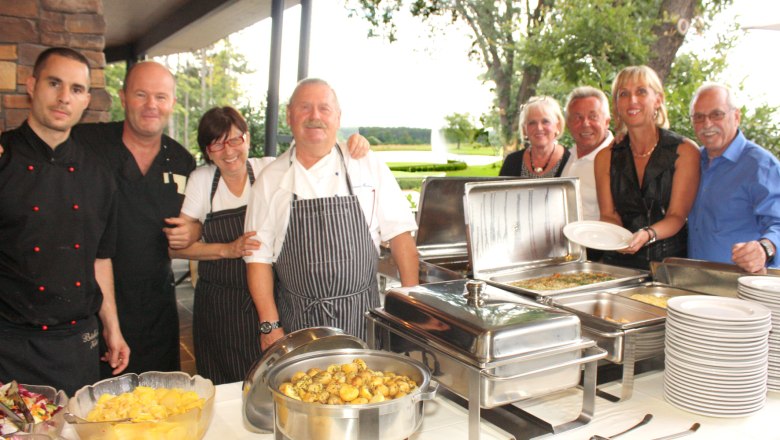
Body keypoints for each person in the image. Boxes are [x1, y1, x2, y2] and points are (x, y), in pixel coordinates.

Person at [170, 107, 370, 384]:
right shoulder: (202, 181)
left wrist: (350, 143)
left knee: (269, 381)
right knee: (223, 382)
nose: (228, 151)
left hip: (266, 301)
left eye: (235, 140)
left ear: (247, 139)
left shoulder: (267, 168)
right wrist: (227, 249)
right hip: (219, 305)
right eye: (216, 143)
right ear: (207, 150)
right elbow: (177, 247)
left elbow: (313, 148)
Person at [245, 78, 419, 350]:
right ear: (290, 116)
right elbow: (257, 259)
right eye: (305, 108)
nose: (315, 116)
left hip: (362, 321)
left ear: (338, 118)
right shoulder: (269, 180)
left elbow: (401, 237)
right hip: (298, 326)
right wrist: (269, 325)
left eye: (324, 108)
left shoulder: (367, 166)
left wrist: (411, 306)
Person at [0, 47, 130, 395]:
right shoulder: (4, 158)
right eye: (54, 83)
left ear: (86, 99)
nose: (63, 98)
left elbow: (100, 258)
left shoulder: (98, 173)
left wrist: (112, 328)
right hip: (9, 344)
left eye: (75, 89)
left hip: (77, 343)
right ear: (31, 85)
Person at [70, 61, 198, 376]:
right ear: (123, 97)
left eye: (160, 97)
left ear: (172, 104)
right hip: (92, 303)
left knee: (159, 401)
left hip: (156, 305)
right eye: (141, 95)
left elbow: (195, 219)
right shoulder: (85, 143)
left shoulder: (182, 161)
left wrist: (196, 228)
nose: (151, 105)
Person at [594, 65, 700, 270]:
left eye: (641, 91)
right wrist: (620, 239)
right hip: (618, 265)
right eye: (623, 94)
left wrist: (648, 234)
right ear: (616, 105)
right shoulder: (605, 157)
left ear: (658, 100)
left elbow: (677, 216)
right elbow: (608, 215)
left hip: (668, 266)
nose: (632, 100)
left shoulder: (685, 151)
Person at [687, 83, 780, 272]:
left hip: (742, 290)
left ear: (736, 116)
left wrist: (764, 248)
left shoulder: (761, 165)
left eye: (716, 114)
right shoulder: (693, 161)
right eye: (699, 117)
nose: (707, 124)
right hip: (695, 284)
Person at [561, 86, 614, 222]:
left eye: (593, 116)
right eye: (577, 117)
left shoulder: (618, 159)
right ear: (568, 124)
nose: (585, 124)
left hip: (598, 241)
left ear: (607, 121)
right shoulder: (567, 157)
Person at [499, 96, 570, 178]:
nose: (539, 128)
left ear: (557, 125)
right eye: (532, 123)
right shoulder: (511, 162)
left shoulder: (571, 161)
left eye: (545, 121)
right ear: (524, 129)